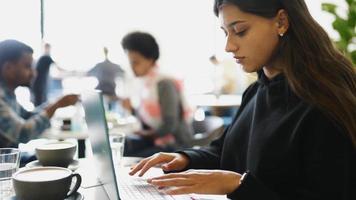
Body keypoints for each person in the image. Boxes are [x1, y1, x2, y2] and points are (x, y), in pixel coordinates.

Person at [129, 1, 356, 199]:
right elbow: (226, 150)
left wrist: (238, 186)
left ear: (281, 22)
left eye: (240, 30)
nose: (229, 46)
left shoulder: (324, 105)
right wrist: (184, 158)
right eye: (225, 33)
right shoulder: (257, 91)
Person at [121, 31, 194, 157]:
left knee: (130, 154)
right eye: (130, 62)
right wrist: (132, 110)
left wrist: (145, 134)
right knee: (125, 145)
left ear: (150, 60)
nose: (132, 68)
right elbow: (149, 121)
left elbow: (170, 125)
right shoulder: (146, 82)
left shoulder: (164, 83)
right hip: (156, 139)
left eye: (136, 62)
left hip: (175, 143)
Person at [0, 39, 78, 149]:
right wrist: (56, 106)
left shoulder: (8, 94)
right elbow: (23, 133)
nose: (33, 73)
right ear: (8, 68)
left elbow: (27, 116)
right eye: (27, 66)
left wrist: (55, 104)